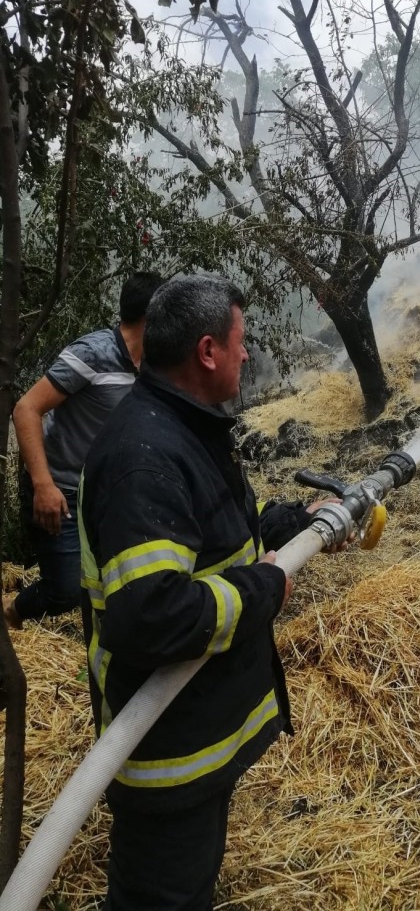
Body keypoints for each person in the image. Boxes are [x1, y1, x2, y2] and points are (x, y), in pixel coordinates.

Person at [78, 274, 339, 911]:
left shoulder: (182, 428)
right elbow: (155, 614)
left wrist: (289, 522)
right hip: (168, 759)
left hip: (197, 739)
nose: (247, 354)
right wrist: (267, 586)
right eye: (240, 341)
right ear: (207, 352)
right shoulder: (146, 457)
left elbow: (212, 543)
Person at [4, 271, 164, 630]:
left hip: (106, 493)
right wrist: (43, 485)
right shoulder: (93, 354)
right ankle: (11, 613)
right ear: (153, 315)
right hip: (59, 490)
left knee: (113, 580)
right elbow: (25, 409)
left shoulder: (154, 366)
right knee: (63, 590)